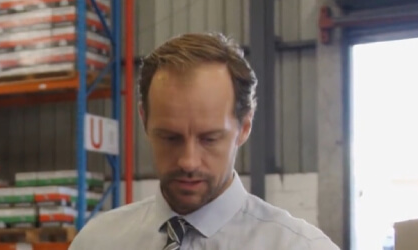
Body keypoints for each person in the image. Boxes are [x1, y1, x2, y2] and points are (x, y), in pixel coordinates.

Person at [69, 33, 339, 250]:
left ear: (244, 126)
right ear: (144, 120)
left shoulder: (299, 246)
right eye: (170, 137)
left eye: (209, 138)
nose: (188, 161)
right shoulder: (96, 242)